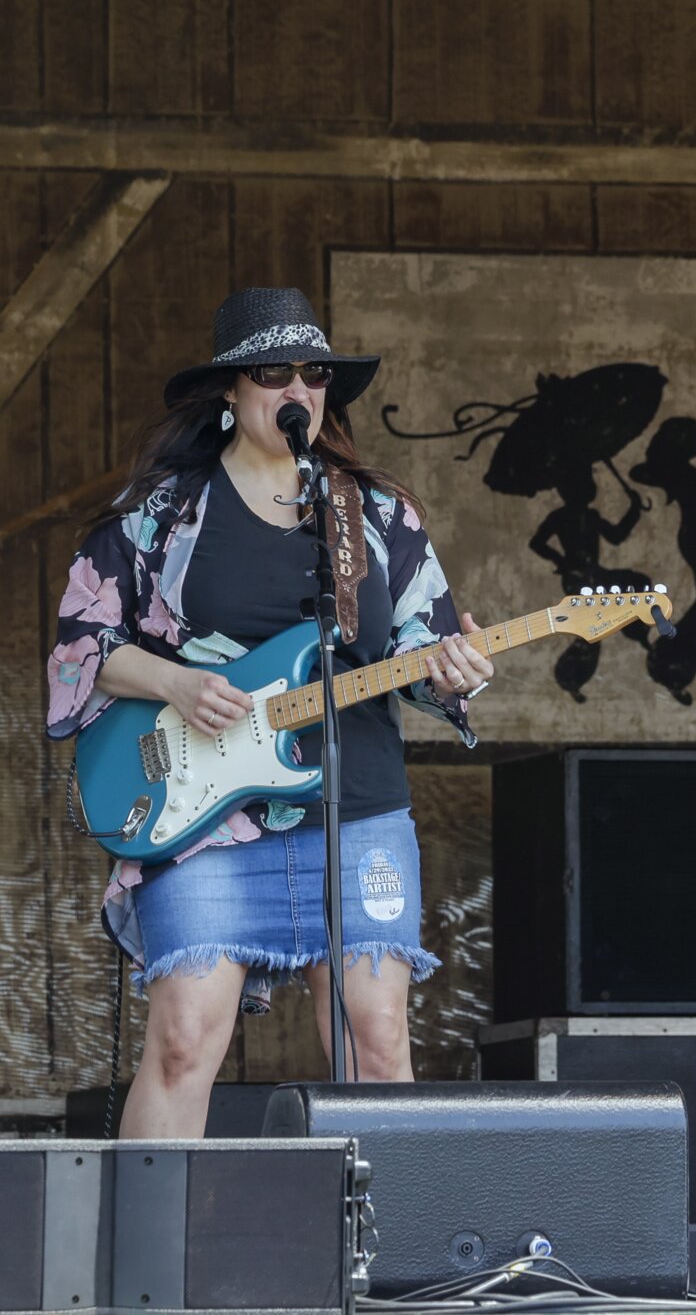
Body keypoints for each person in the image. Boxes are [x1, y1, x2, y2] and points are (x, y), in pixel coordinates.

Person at [46, 287, 494, 1138]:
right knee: (183, 1038)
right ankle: (150, 1262)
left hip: (355, 805)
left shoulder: (378, 515)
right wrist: (175, 684)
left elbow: (424, 659)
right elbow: (80, 647)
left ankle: (388, 1265)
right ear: (229, 390)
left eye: (314, 372)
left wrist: (457, 671)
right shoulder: (164, 517)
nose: (298, 388)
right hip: (205, 812)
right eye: (273, 370)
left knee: (377, 1036)